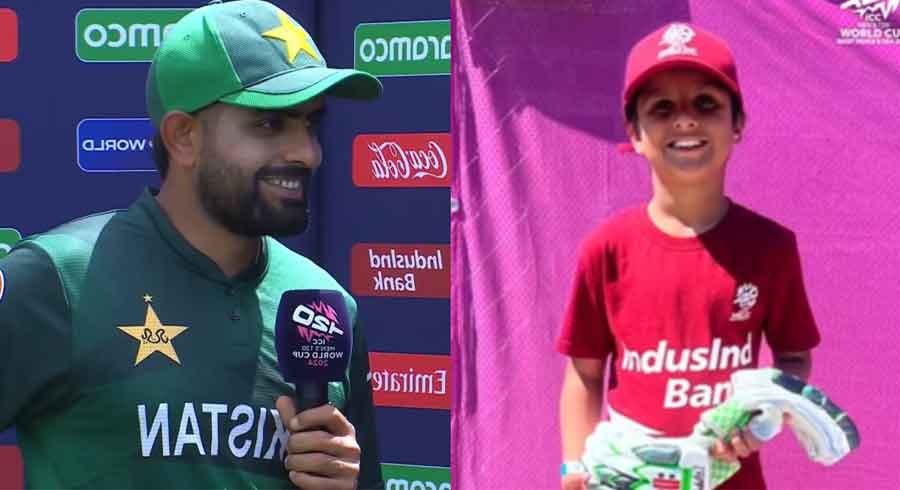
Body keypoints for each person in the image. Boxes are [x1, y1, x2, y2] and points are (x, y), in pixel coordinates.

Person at [0, 1, 385, 488]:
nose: (305, 152)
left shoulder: (324, 304)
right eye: (269, 124)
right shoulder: (57, 280)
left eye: (309, 124)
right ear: (183, 137)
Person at [557, 22, 820, 490]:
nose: (685, 120)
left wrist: (765, 413)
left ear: (737, 124)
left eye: (706, 103)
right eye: (661, 108)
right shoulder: (606, 249)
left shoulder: (772, 247)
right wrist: (573, 468)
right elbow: (584, 374)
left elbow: (795, 355)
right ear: (635, 133)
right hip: (627, 479)